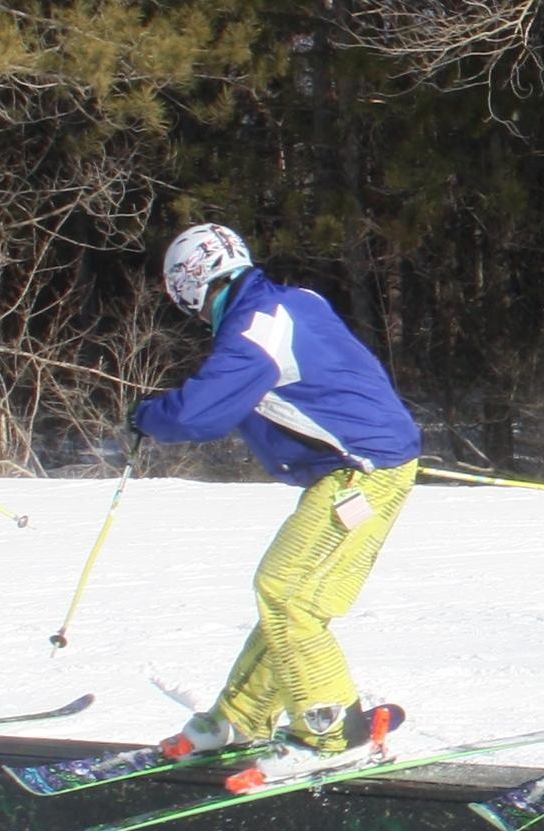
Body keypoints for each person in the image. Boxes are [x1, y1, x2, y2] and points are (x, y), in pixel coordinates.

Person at [131, 224, 425, 782]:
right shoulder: (294, 303)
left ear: (187, 286)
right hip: (366, 465)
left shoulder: (256, 325)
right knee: (293, 595)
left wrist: (147, 415)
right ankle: (243, 717)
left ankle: (331, 726)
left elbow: (202, 411)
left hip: (360, 471)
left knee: (287, 591)